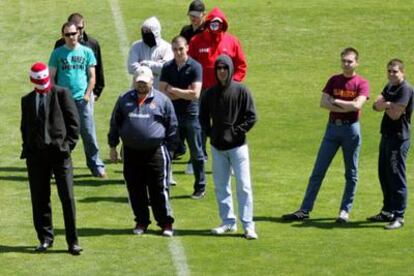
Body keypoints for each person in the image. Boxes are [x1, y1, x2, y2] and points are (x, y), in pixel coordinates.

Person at [282, 47, 370, 223]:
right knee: (318, 171)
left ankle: (344, 211)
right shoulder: (334, 80)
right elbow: (323, 103)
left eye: (349, 61)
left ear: (356, 63)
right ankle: (305, 209)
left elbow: (357, 106)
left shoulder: (362, 83)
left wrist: (336, 101)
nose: (346, 64)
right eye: (343, 61)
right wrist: (346, 104)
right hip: (332, 129)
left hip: (351, 130)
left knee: (351, 173)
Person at [20, 62, 82, 255]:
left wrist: (66, 148)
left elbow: (74, 125)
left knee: (67, 197)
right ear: (32, 81)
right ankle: (45, 238)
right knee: (39, 199)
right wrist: (28, 147)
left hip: (60, 155)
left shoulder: (62, 93)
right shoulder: (27, 100)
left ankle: (73, 241)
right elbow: (25, 127)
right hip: (36, 157)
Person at [108, 66, 177, 237]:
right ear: (134, 81)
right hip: (131, 152)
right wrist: (113, 146)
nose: (141, 85)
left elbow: (172, 126)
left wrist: (170, 150)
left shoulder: (162, 101)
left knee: (159, 189)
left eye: (144, 83)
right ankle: (141, 221)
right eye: (138, 82)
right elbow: (115, 123)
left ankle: (165, 222)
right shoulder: (124, 99)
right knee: (134, 188)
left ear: (151, 81)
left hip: (156, 152)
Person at [200, 55, 258, 240]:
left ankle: (248, 225)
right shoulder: (209, 93)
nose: (222, 71)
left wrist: (236, 131)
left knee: (244, 186)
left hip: (238, 147)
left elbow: (252, 117)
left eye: (225, 68)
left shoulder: (242, 91)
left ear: (230, 69)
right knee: (221, 186)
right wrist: (211, 134)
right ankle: (228, 222)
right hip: (217, 148)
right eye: (219, 68)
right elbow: (202, 118)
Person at [49, 21, 107, 178]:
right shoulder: (57, 53)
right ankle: (58, 165)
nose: (71, 37)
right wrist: (56, 95)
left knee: (88, 133)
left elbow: (92, 76)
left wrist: (88, 94)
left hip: (82, 100)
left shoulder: (87, 52)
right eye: (67, 34)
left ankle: (96, 165)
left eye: (73, 34)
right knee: (62, 135)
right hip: (63, 101)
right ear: (63, 36)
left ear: (78, 34)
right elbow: (51, 77)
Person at [189, 6, 247, 158]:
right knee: (200, 123)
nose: (215, 27)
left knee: (229, 123)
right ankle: (198, 156)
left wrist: (232, 84)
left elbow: (241, 66)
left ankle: (231, 154)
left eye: (218, 24)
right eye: (212, 23)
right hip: (204, 90)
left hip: (226, 93)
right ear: (207, 24)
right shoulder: (196, 41)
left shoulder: (232, 42)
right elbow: (190, 65)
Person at [159, 35, 206, 199]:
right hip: (172, 115)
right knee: (168, 151)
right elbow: (163, 92)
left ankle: (200, 186)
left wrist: (173, 90)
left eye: (181, 49)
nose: (178, 52)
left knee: (196, 152)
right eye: (175, 49)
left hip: (191, 115)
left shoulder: (195, 67)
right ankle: (164, 184)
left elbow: (195, 94)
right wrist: (183, 92)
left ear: (187, 48)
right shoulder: (167, 67)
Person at [370, 59, 413, 230]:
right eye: (389, 71)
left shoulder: (405, 89)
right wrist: (389, 105)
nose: (391, 74)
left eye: (395, 71)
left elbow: (395, 115)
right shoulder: (389, 86)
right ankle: (387, 211)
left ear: (402, 72)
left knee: (396, 177)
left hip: (398, 138)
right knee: (384, 174)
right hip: (386, 136)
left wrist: (386, 104)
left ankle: (399, 216)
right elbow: (375, 105)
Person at [175, 0, 207, 160]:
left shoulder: (207, 31)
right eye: (191, 15)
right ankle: (180, 146)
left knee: (199, 116)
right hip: (185, 77)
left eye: (196, 15)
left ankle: (202, 150)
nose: (193, 18)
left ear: (203, 15)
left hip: (200, 79)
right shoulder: (185, 31)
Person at [54, 13, 105, 100]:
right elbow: (55, 68)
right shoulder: (60, 44)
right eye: (75, 28)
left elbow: (98, 68)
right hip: (64, 95)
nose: (78, 31)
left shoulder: (92, 44)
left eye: (80, 28)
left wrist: (97, 91)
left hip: (86, 94)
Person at [127, 16, 173, 90]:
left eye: (148, 33)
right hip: (138, 90)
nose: (146, 35)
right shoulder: (136, 46)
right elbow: (131, 67)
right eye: (144, 32)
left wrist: (146, 64)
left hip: (159, 91)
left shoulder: (167, 48)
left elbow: (165, 69)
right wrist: (156, 67)